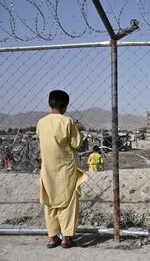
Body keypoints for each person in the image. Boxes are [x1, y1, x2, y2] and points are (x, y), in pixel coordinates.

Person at [36, 90, 87, 249]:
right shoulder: (67, 122)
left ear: (49, 103)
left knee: (50, 203)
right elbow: (76, 144)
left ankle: (52, 238)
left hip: (47, 170)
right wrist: (78, 128)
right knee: (69, 202)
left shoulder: (41, 122)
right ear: (66, 105)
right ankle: (66, 238)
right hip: (66, 170)